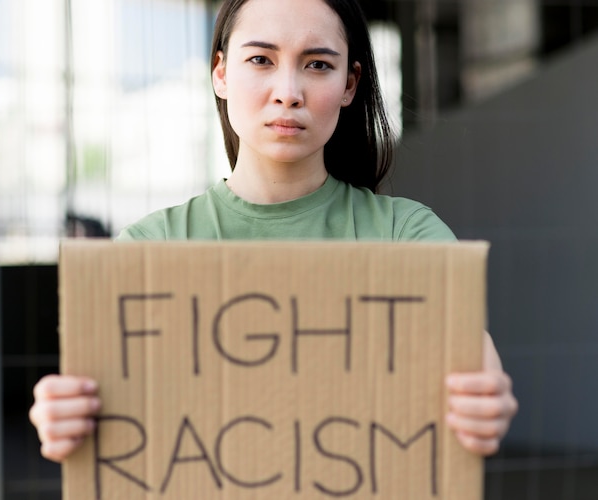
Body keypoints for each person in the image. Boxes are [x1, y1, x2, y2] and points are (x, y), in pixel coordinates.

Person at [29, 0, 518, 463]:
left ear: (350, 85)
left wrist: (483, 403)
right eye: (261, 59)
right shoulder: (145, 249)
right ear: (221, 73)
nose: (288, 90)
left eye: (318, 65)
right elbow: (99, 407)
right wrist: (64, 417)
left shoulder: (407, 235)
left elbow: (475, 367)